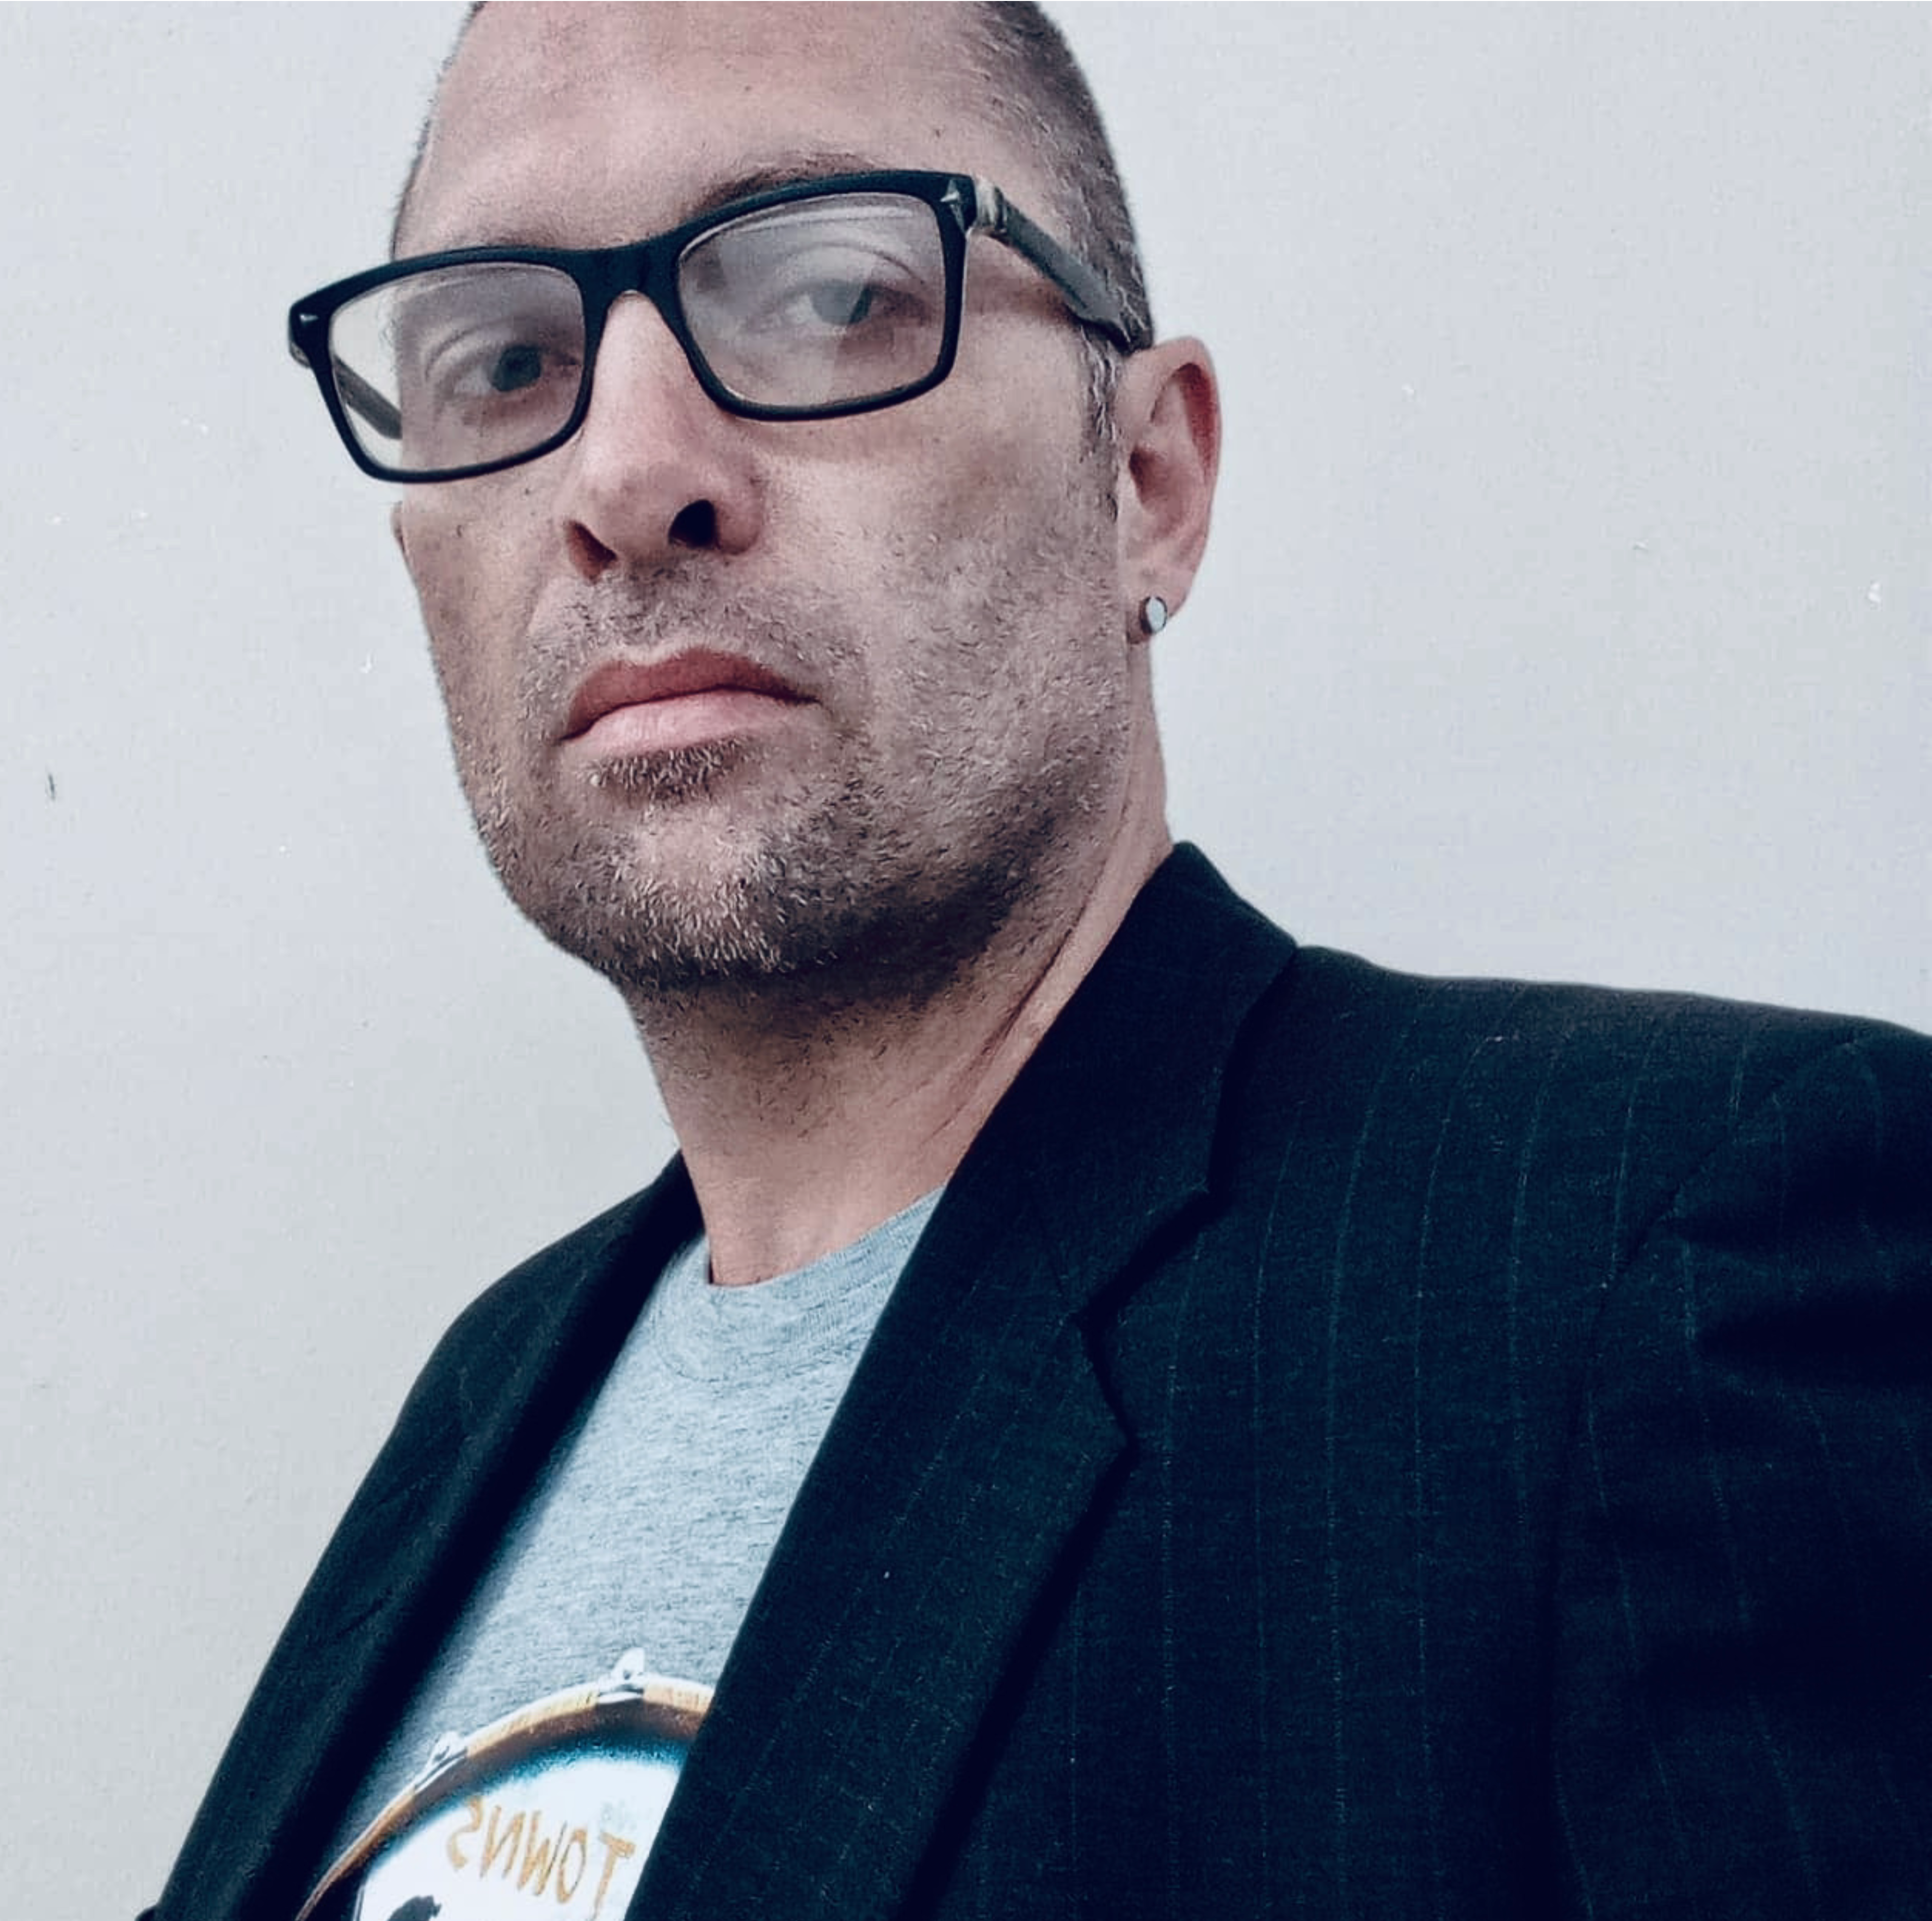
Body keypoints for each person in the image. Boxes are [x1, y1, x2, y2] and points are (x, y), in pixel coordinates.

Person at [145, 3, 1932, 1918]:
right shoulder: (485, 1395)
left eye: (826, 294)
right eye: (504, 357)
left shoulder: (1660, 1258)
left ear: (1148, 477)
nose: (626, 471)